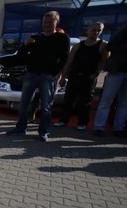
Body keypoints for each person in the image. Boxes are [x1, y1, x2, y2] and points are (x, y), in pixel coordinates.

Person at [6, 11, 70, 142]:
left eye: (50, 22)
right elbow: (20, 57)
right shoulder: (35, 38)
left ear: (56, 23)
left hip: (47, 76)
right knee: (24, 104)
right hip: (31, 75)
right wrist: (25, 44)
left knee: (46, 106)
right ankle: (20, 128)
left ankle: (43, 132)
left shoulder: (62, 38)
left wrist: (54, 73)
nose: (47, 25)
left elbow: (64, 58)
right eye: (45, 22)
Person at [53, 22, 109, 130]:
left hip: (89, 77)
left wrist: (96, 73)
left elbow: (104, 62)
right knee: (69, 98)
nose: (96, 32)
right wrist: (63, 77)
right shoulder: (78, 46)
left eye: (99, 30)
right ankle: (63, 120)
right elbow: (69, 61)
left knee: (85, 101)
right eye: (94, 30)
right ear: (88, 30)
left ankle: (82, 122)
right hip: (75, 76)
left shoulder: (103, 45)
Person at [93, 19, 127, 137]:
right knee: (107, 100)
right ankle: (99, 127)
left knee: (126, 102)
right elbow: (110, 46)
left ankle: (119, 128)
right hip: (117, 69)